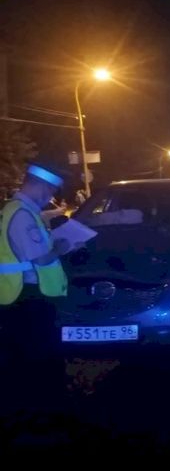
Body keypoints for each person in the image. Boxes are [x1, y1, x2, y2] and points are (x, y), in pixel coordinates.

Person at [0, 163, 73, 409]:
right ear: (41, 185)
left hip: (22, 294)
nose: (50, 196)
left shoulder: (19, 210)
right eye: (50, 190)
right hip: (29, 296)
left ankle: (32, 403)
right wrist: (62, 247)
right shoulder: (22, 215)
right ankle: (42, 407)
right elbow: (40, 259)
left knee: (25, 354)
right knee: (38, 355)